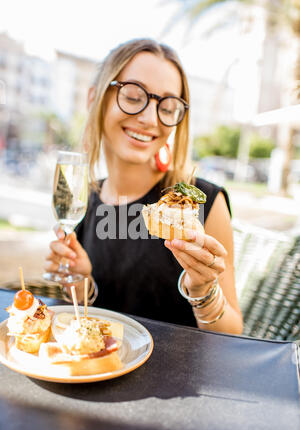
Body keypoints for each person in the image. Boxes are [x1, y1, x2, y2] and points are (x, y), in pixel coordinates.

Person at [45, 38, 243, 335]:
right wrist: (82, 285)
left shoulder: (201, 203)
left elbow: (233, 333)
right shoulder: (80, 200)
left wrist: (204, 290)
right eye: (134, 96)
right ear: (94, 99)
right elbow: (88, 321)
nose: (150, 119)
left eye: (167, 106)